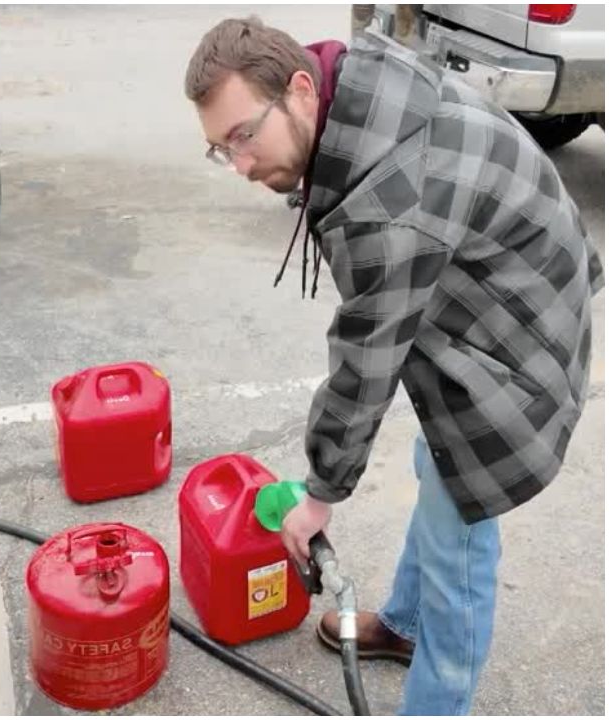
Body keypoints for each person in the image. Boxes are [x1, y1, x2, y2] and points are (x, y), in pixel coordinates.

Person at [185, 17, 602, 715]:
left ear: (298, 89)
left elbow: (366, 355)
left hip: (520, 352)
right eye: (220, 150)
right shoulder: (357, 90)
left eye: (243, 136)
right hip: (515, 295)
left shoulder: (384, 200)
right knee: (434, 461)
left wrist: (321, 492)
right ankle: (406, 625)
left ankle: (436, 699)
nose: (243, 167)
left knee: (458, 541)